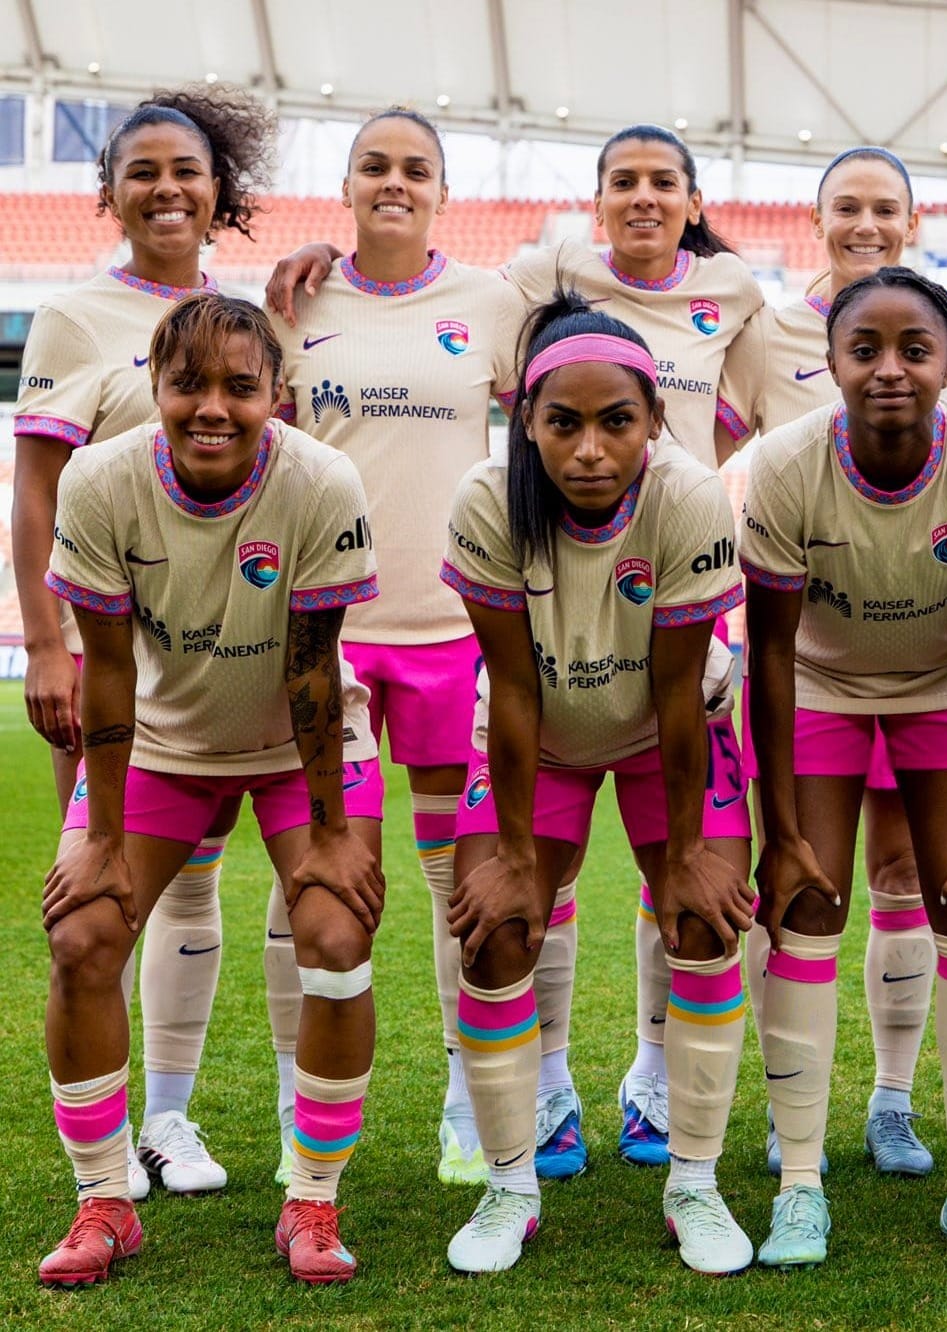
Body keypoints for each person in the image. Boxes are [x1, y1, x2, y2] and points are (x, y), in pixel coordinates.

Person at [268, 123, 762, 1170]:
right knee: (403, 889)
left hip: (541, 658)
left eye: (416, 169)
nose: (589, 445)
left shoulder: (666, 316)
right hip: (375, 639)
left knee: (613, 895)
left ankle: (587, 1102)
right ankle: (500, 1100)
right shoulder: (335, 306)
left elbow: (681, 689)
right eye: (374, 167)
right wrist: (308, 270)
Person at [37, 293, 385, 1287]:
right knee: (83, 937)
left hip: (298, 741)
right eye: (189, 384)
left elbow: (314, 667)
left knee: (336, 937)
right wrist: (104, 837)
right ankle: (104, 1201)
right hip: (163, 741)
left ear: (277, 392)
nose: (214, 408)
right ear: (155, 386)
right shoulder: (100, 479)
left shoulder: (321, 479)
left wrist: (331, 833)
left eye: (241, 385)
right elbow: (108, 667)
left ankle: (312, 1200)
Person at [438, 293, 755, 1275]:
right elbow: (514, 688)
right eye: (562, 423)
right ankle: (509, 1187)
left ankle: (695, 1184)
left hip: (670, 724)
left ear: (653, 419)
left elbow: (677, 691)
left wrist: (691, 856)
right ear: (525, 422)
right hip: (541, 732)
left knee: (705, 922)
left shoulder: (688, 497)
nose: (588, 450)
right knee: (496, 929)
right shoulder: (488, 500)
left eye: (616, 421)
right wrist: (514, 855)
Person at [740, 267, 947, 1269]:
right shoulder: (786, 463)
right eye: (863, 349)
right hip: (820, 682)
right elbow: (770, 653)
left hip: (945, 682)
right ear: (830, 361)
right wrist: (782, 833)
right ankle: (798, 1186)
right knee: (805, 905)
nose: (889, 370)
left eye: (916, 350)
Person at [12, 85, 277, 1198]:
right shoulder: (76, 318)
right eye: (143, 172)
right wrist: (45, 646)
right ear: (110, 191)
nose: (167, 190)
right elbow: (37, 491)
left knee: (196, 881)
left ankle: (169, 1117)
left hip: (213, 659)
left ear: (222, 190)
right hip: (107, 654)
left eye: (188, 171)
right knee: (104, 887)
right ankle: (107, 1137)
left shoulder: (246, 318)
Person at [269, 106, 526, 1188]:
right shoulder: (297, 302)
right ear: (344, 184)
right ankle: (296, 1106)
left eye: (416, 169)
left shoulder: (493, 304)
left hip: (454, 630)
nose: (394, 182)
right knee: (314, 878)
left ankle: (468, 1105)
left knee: (457, 880)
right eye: (373, 165)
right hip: (328, 637)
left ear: (443, 192)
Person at [719, 146, 938, 1177]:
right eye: (846, 206)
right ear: (816, 219)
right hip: (800, 654)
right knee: (799, 876)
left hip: (921, 646)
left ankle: (893, 1102)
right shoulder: (769, 332)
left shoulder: (938, 323)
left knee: (903, 874)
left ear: (913, 222)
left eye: (885, 208)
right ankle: (789, 1106)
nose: (866, 223)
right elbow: (704, 458)